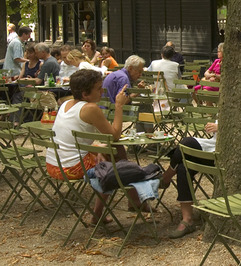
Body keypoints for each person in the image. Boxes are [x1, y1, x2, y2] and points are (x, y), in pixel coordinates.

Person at [45, 69, 148, 224]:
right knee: (113, 162)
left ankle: (132, 202)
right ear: (85, 94)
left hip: (53, 164)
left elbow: (73, 141)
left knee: (114, 153)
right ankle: (112, 209)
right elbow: (114, 136)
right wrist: (119, 106)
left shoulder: (66, 104)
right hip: (70, 168)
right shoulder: (90, 108)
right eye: (98, 88)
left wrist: (97, 148)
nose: (102, 91)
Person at [158, 121, 218, 239]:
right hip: (211, 145)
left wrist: (220, 127)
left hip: (220, 153)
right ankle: (187, 220)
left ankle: (166, 177)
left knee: (187, 142)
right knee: (182, 167)